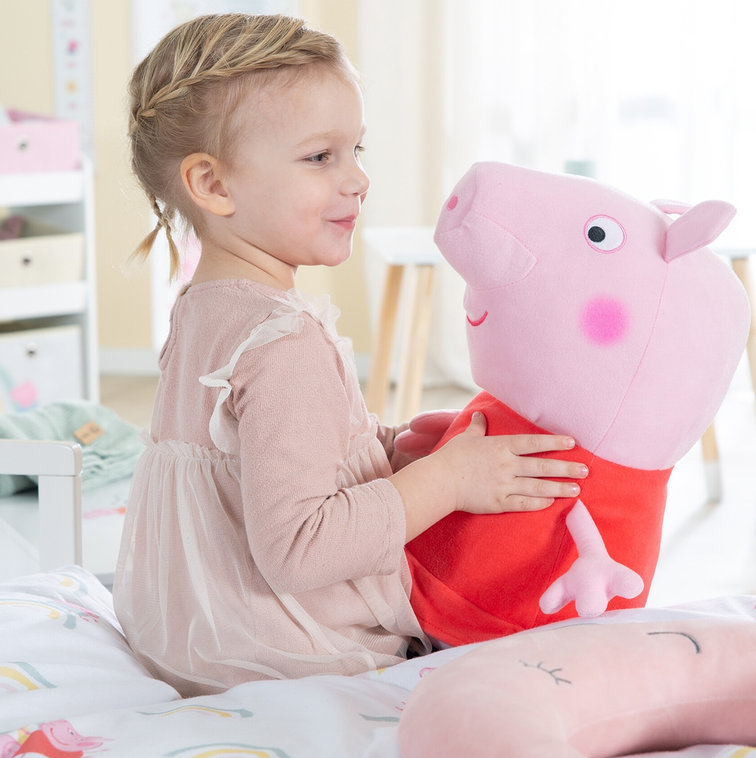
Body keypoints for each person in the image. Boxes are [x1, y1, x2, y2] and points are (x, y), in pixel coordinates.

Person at [113, 12, 588, 697]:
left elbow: (253, 463)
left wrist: (387, 443)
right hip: (283, 654)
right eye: (320, 157)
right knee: (526, 652)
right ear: (213, 185)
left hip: (188, 633)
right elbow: (301, 545)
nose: (357, 179)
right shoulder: (282, 340)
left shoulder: (202, 307)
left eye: (357, 150)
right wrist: (449, 482)